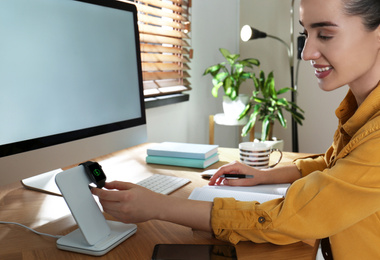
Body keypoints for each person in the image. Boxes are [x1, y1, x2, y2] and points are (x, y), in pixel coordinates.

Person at [92, 0, 380, 259]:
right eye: (305, 34)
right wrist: (265, 175)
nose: (307, 53)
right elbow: (337, 166)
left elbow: (286, 218)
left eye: (326, 35)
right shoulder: (361, 108)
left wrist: (159, 208)